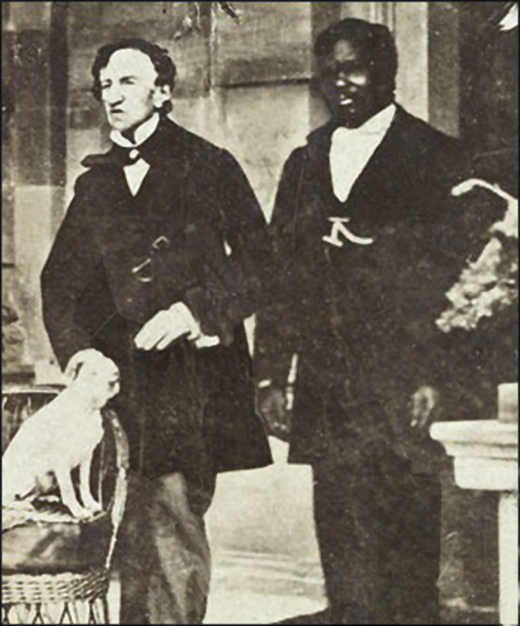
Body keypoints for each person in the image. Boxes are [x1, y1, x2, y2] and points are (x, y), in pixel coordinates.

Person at [254, 18, 483, 625]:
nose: (341, 83)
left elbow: (458, 283)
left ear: (387, 72)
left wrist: (434, 375)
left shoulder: (437, 157)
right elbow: (281, 276)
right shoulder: (305, 162)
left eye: (353, 68)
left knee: (406, 547)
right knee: (341, 540)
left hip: (403, 387)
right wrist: (270, 375)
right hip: (327, 388)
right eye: (329, 72)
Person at [41, 38, 272, 624]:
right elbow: (59, 284)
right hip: (116, 385)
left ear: (162, 92)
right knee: (127, 540)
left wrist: (194, 312)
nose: (112, 96)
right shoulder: (96, 182)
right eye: (105, 85)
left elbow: (261, 264)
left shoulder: (209, 165)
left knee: (172, 530)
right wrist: (80, 353)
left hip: (188, 383)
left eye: (127, 82)